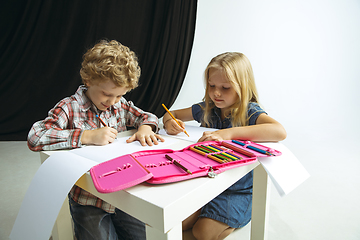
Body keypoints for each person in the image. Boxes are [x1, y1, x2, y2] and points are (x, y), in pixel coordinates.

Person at [28, 39, 165, 240]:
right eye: (107, 94)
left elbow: (147, 116)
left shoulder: (119, 105)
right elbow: (36, 136)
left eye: (119, 96)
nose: (112, 102)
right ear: (89, 80)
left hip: (121, 194)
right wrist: (86, 136)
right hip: (87, 200)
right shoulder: (70, 107)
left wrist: (146, 127)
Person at [162, 52, 286, 240]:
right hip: (207, 184)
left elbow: (279, 131)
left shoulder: (249, 112)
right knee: (179, 223)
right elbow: (170, 114)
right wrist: (170, 122)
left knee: (201, 232)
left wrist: (227, 134)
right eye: (211, 86)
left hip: (238, 191)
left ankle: (238, 219)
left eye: (225, 88)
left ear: (242, 87)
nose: (216, 93)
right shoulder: (207, 108)